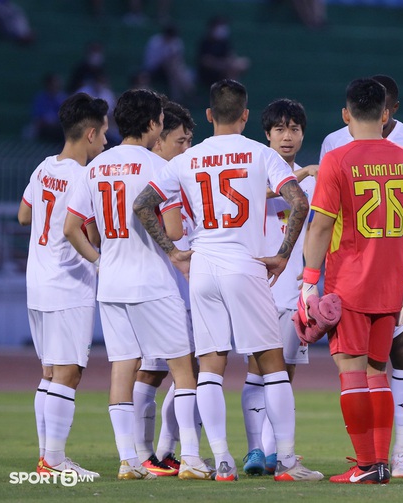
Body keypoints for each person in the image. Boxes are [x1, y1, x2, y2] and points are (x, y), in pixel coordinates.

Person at [133, 79, 323, 482]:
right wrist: (284, 254)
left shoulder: (186, 159)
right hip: (245, 265)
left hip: (202, 267)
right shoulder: (260, 153)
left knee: (211, 369)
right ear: (246, 115)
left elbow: (142, 204)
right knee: (272, 366)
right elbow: (299, 201)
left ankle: (220, 461)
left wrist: (172, 252)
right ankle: (286, 461)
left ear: (207, 116)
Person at [64, 89, 204, 481]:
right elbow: (174, 229)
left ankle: (128, 459)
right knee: (182, 367)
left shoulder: (94, 167)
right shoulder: (158, 166)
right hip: (153, 281)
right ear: (153, 124)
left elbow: (75, 227)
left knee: (122, 368)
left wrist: (102, 259)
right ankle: (191, 457)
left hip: (111, 283)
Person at [305, 78, 403, 484]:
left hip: (351, 283)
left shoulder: (338, 160)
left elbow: (321, 227)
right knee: (378, 372)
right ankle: (378, 463)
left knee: (351, 370)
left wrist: (308, 282)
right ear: (386, 113)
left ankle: (366, 464)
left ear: (346, 115)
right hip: (390, 285)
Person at [17, 92, 109, 478]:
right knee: (69, 372)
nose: (106, 140)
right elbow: (82, 231)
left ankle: (47, 457)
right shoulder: (84, 176)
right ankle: (53, 461)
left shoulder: (43, 168)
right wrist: (100, 260)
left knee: (51, 373)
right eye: (104, 133)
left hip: (37, 281)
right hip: (68, 284)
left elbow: (24, 216)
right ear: (89, 133)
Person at [241, 98, 317, 476]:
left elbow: (320, 232)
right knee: (257, 371)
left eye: (294, 129)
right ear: (266, 134)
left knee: (285, 372)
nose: (287, 137)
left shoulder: (315, 181)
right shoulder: (254, 170)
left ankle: (270, 452)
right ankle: (256, 450)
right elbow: (257, 196)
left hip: (294, 288)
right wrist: (299, 178)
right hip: (256, 284)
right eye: (280, 129)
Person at [131, 100, 200, 476]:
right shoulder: (159, 177)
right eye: (180, 141)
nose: (186, 149)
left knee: (178, 368)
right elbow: (173, 231)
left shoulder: (177, 176)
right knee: (156, 370)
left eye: (190, 141)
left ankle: (160, 451)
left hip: (182, 289)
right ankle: (149, 454)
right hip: (165, 288)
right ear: (158, 140)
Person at [143, 24, 195, 103]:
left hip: (173, 70)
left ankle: (178, 98)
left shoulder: (176, 42)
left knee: (176, 70)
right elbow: (152, 62)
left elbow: (179, 60)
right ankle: (190, 93)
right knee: (173, 69)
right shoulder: (155, 42)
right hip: (154, 69)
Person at [196, 17, 250, 90]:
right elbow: (205, 61)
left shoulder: (225, 43)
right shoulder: (206, 42)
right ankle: (234, 94)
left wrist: (233, 63)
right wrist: (222, 65)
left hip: (224, 72)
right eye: (220, 27)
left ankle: (235, 93)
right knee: (231, 69)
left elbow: (231, 57)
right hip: (209, 75)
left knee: (241, 64)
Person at [29, 73, 67, 143]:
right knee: (29, 132)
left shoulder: (63, 98)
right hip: (43, 126)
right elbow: (37, 116)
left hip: (59, 128)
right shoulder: (41, 98)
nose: (55, 85)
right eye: (53, 83)